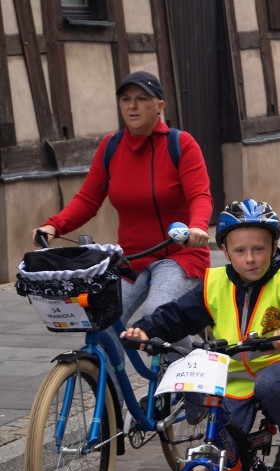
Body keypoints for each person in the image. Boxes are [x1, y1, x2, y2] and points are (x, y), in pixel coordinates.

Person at [121, 199, 280, 471]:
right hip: (233, 374)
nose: (250, 258)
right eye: (240, 250)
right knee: (225, 448)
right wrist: (146, 329)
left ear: (274, 247)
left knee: (271, 385)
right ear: (226, 251)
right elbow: (178, 314)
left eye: (259, 249)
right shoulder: (213, 283)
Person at [32, 70, 213, 374]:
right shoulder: (111, 147)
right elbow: (88, 199)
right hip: (131, 258)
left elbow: (200, 196)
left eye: (142, 99)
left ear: (160, 105)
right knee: (101, 321)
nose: (132, 106)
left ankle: (193, 371)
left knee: (158, 314)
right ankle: (109, 415)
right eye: (126, 99)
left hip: (178, 254)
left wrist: (197, 227)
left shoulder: (181, 144)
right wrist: (53, 226)